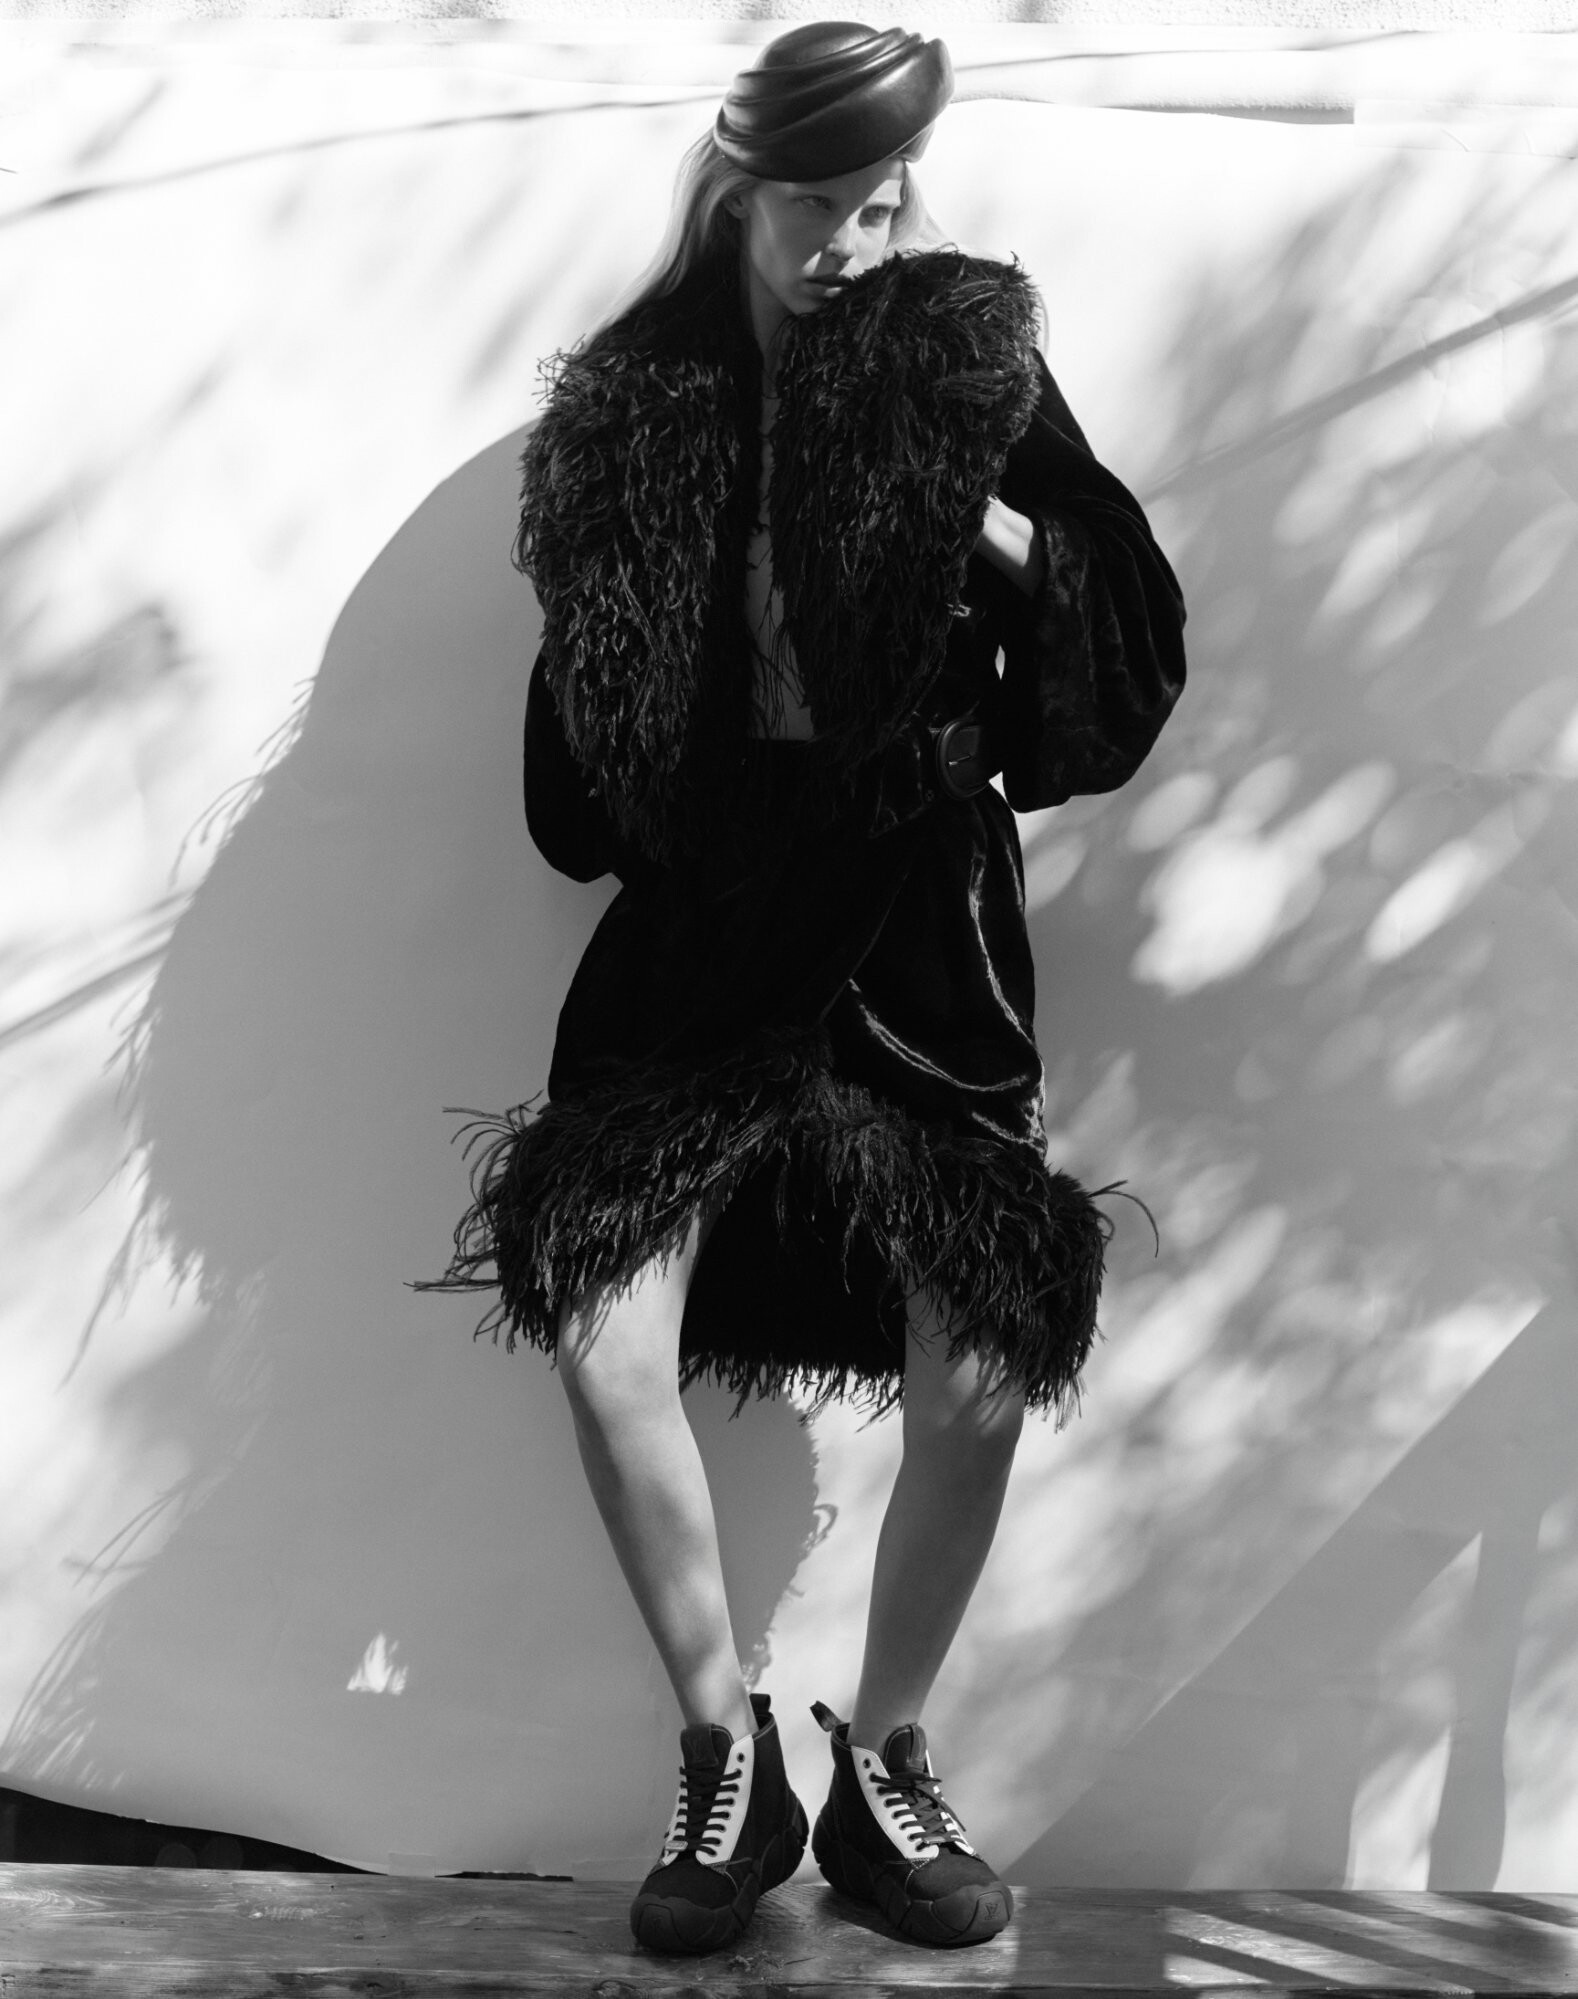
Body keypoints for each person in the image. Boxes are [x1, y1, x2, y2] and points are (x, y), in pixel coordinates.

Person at [418, 19, 1186, 1958]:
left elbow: (1123, 618)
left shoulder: (963, 355)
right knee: (604, 1330)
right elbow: (580, 766)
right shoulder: (639, 403)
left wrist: (968, 517)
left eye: (884, 203)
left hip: (921, 914)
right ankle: (723, 1757)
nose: (855, 241)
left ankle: (886, 1759)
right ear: (738, 191)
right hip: (706, 923)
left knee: (982, 1362)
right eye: (820, 205)